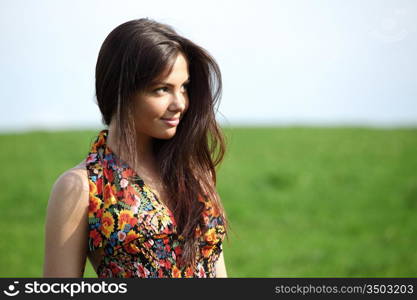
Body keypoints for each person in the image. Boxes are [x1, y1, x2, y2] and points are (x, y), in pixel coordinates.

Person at [43, 18, 230, 278]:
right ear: (121, 91)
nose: (180, 103)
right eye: (162, 89)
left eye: (184, 88)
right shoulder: (83, 188)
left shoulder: (194, 174)